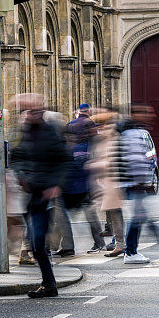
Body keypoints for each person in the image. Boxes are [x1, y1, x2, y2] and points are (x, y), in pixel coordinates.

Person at [9, 94, 70, 298]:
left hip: (43, 195)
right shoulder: (23, 131)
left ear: (42, 112)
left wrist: (55, 185)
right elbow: (15, 156)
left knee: (36, 241)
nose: (30, 114)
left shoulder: (50, 132)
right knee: (35, 243)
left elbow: (63, 160)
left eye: (34, 110)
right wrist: (21, 175)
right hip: (29, 193)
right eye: (26, 111)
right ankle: (48, 284)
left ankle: (49, 284)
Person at [121, 105, 159, 264]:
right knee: (139, 218)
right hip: (136, 184)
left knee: (141, 218)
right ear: (136, 115)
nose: (151, 115)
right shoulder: (133, 134)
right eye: (146, 113)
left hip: (136, 183)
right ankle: (131, 252)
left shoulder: (133, 132)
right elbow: (135, 160)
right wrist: (142, 182)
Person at [61, 103, 105, 254]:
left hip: (72, 181)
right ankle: (99, 243)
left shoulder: (70, 132)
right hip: (86, 181)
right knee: (90, 212)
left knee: (62, 215)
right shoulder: (90, 133)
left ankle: (66, 247)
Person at [86, 113, 127, 257]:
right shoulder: (104, 138)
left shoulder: (111, 138)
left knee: (114, 213)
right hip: (105, 183)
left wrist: (92, 164)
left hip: (111, 182)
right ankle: (118, 242)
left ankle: (120, 244)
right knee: (112, 213)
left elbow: (110, 162)